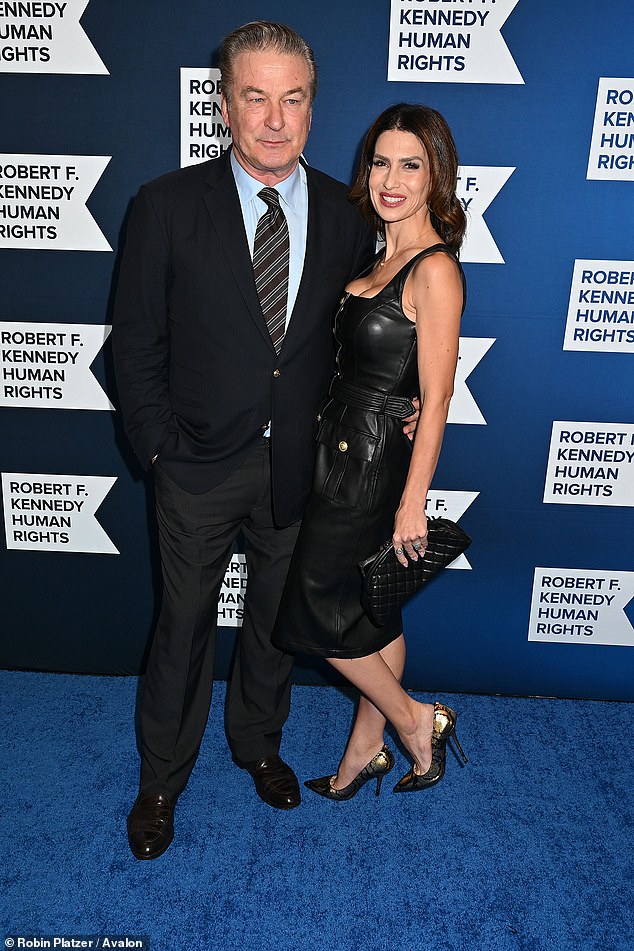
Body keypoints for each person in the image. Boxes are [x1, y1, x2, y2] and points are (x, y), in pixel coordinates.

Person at [112, 22, 419, 860]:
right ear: (224, 105)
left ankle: (258, 743)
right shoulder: (165, 206)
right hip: (196, 467)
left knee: (278, 626)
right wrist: (162, 453)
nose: (275, 119)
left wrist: (406, 407)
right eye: (257, 98)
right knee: (181, 623)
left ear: (314, 111)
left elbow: (380, 325)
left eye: (293, 100)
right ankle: (161, 778)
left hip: (302, 469)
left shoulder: (349, 215)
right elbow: (133, 347)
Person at [273, 103, 468, 799]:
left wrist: (412, 503)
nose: (391, 178)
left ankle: (416, 720)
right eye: (381, 161)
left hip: (373, 464)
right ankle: (364, 750)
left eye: (410, 165)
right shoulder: (378, 254)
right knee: (372, 613)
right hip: (342, 447)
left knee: (316, 613)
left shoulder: (435, 268)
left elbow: (438, 397)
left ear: (434, 177)